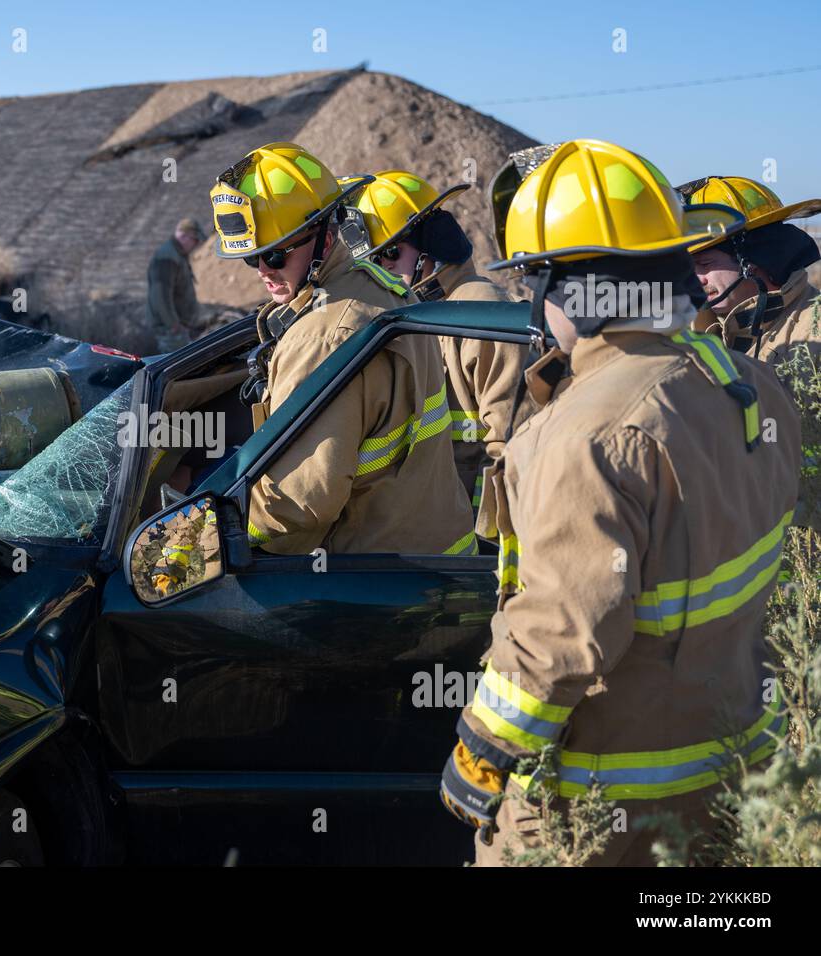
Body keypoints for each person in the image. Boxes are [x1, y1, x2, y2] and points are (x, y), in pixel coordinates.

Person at [439, 139, 801, 866]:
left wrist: (482, 746)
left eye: (534, 282)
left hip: (608, 810)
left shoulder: (589, 432)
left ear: (570, 286)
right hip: (734, 778)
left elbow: (566, 633)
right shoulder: (750, 385)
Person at [209, 143, 474, 556]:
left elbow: (296, 507)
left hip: (371, 585)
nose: (263, 271)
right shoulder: (384, 291)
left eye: (274, 254)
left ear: (327, 233)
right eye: (251, 259)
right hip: (437, 559)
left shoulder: (323, 336)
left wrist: (205, 538)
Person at [344, 171, 527, 508]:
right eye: (374, 261)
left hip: (473, 543)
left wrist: (481, 536)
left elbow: (513, 447)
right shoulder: (415, 317)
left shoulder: (478, 310)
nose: (383, 270)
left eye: (391, 254)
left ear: (433, 241)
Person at [679, 176, 821, 368]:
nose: (696, 280)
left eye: (705, 264)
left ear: (752, 259)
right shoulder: (689, 330)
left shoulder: (815, 331)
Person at [146, 218, 205, 352]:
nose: (196, 245)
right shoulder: (167, 257)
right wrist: (173, 325)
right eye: (194, 240)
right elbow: (160, 295)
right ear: (183, 236)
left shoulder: (176, 255)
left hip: (177, 329)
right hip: (170, 332)